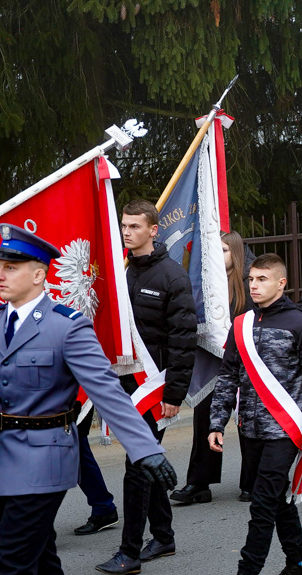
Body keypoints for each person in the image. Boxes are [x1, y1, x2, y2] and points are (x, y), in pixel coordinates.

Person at [0, 223, 176, 575]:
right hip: (2, 457)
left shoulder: (66, 326)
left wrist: (146, 449)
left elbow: (107, 391)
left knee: (10, 563)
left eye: (10, 268)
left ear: (38, 275)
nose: (0, 275)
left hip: (43, 459)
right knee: (40, 556)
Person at [209, 253, 302, 575]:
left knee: (261, 506)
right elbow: (227, 376)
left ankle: (248, 569)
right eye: (251, 279)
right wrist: (217, 422)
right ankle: (298, 562)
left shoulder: (301, 325)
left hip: (285, 432)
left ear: (281, 283)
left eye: (262, 279)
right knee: (276, 499)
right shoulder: (242, 325)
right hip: (250, 429)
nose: (254, 285)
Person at [97, 200, 198, 574]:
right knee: (146, 460)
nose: (127, 232)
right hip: (126, 384)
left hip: (154, 389)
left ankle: (130, 552)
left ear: (153, 230)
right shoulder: (120, 270)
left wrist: (174, 394)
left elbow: (183, 338)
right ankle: (164, 536)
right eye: (124, 225)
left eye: (135, 226)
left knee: (137, 463)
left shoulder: (172, 276)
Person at [171, 231, 256, 505]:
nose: (218, 257)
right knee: (205, 420)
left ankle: (253, 482)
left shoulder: (250, 283)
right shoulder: (203, 283)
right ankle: (199, 483)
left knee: (249, 422)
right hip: (212, 364)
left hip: (244, 365)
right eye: (214, 251)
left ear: (236, 253)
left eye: (224, 251)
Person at [73, 405, 119, 536]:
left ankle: (103, 506)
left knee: (78, 455)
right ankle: (103, 506)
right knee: (78, 457)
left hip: (72, 401)